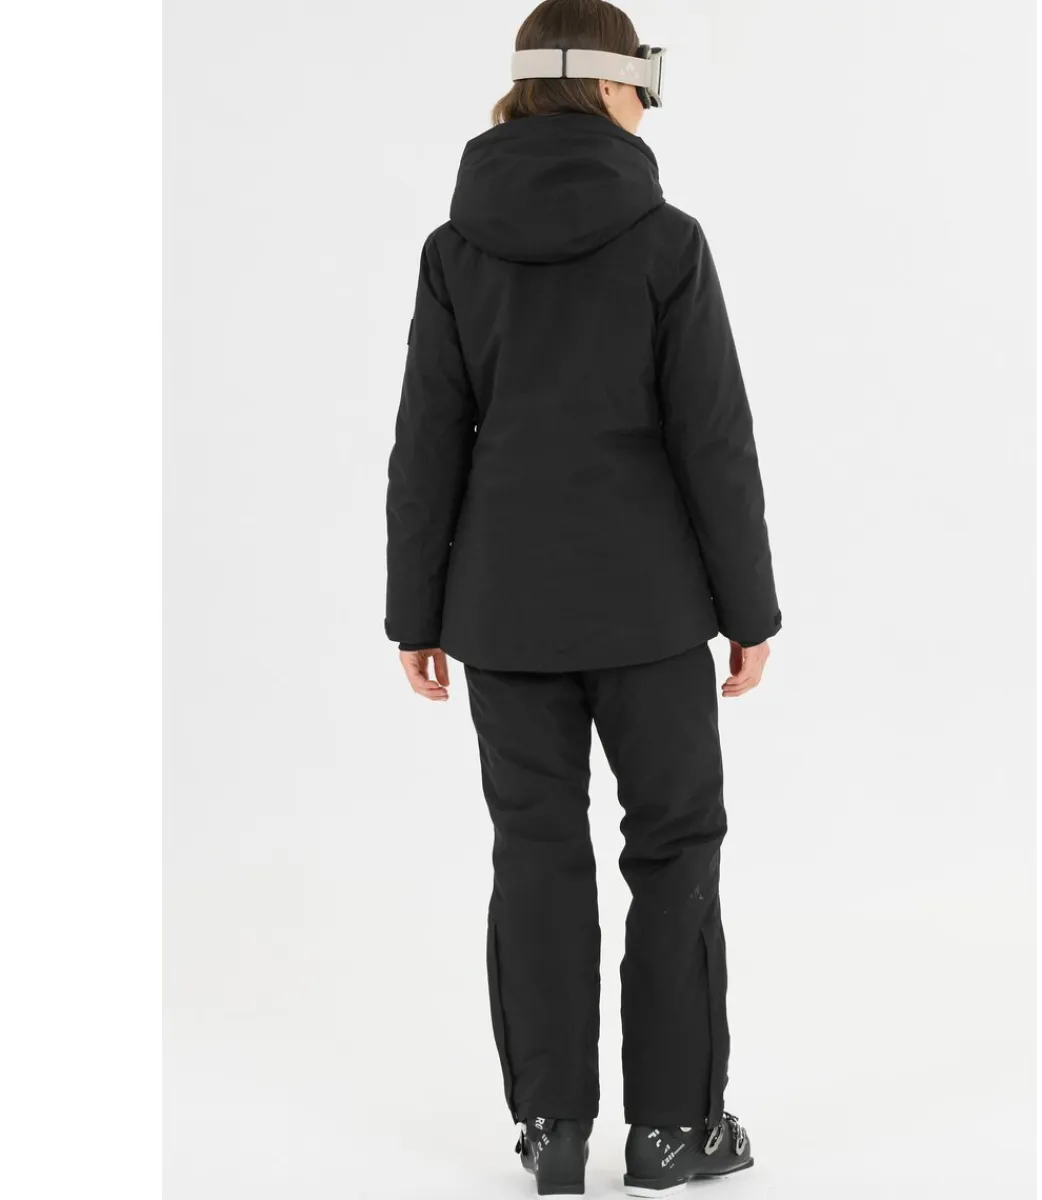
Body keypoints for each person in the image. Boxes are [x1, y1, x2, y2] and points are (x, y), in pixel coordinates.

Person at [384, 1, 780, 1193]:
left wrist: (417, 613)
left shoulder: (454, 252)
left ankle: (551, 1130)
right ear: (610, 86)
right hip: (651, 611)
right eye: (643, 83)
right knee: (675, 847)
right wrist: (749, 610)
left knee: (536, 852)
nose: (648, 105)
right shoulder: (667, 242)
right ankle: (672, 1132)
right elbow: (713, 441)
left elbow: (427, 443)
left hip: (502, 613)